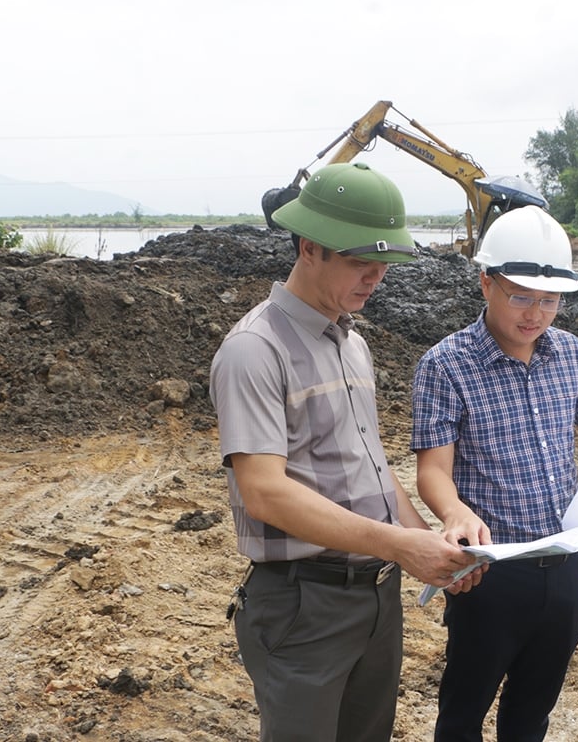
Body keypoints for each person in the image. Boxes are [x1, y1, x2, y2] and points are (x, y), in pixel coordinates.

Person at [209, 162, 478, 742]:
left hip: (375, 597)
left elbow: (372, 470)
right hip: (303, 604)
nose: (375, 277)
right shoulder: (255, 350)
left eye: (384, 263)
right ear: (310, 248)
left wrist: (428, 541)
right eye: (360, 261)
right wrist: (400, 546)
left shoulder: (351, 343)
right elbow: (264, 492)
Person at [411, 205, 578, 741]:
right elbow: (432, 470)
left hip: (565, 562)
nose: (536, 313)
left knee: (532, 713)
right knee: (463, 714)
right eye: (521, 296)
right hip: (489, 573)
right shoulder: (445, 366)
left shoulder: (570, 354)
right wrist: (454, 511)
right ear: (486, 283)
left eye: (550, 299)